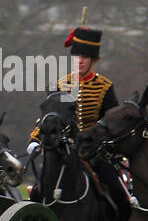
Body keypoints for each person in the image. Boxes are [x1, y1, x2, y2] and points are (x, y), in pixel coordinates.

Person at [27, 23, 123, 206]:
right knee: (37, 192)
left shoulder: (104, 87)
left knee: (118, 192)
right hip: (62, 150)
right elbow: (48, 120)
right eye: (76, 56)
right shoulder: (60, 85)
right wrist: (35, 140)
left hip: (94, 153)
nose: (79, 61)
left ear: (94, 60)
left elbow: (112, 122)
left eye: (85, 57)